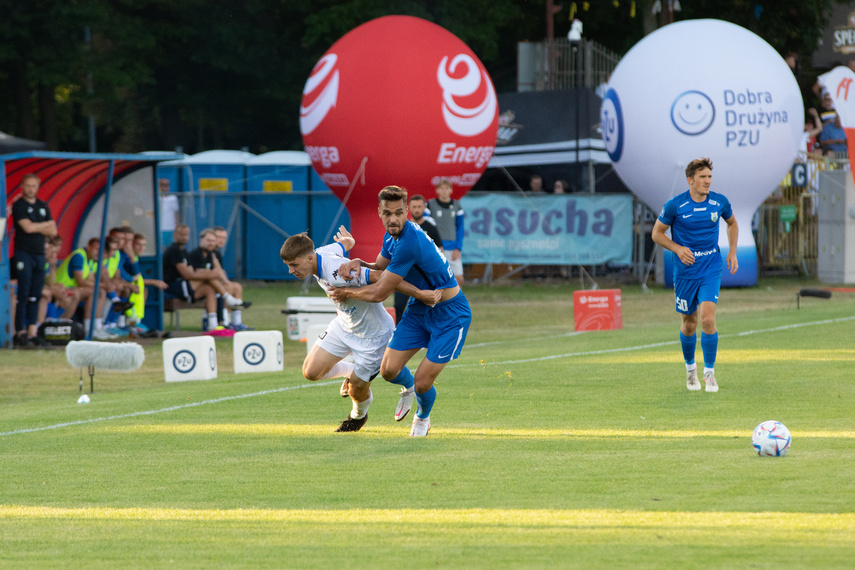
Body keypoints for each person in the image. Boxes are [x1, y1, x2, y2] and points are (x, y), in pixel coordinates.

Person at [330, 185, 472, 437]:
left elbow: (380, 292)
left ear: (407, 211)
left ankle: (422, 416)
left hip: (450, 315)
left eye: (398, 212)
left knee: (423, 381)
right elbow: (380, 268)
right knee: (388, 371)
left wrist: (346, 293)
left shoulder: (409, 242)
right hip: (420, 309)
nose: (393, 218)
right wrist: (356, 261)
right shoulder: (391, 236)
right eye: (387, 213)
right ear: (379, 213)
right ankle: (408, 391)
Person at [280, 226, 440, 432]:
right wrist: (349, 241)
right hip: (343, 326)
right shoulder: (322, 252)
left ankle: (358, 416)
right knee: (310, 372)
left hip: (373, 335)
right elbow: (344, 244)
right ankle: (351, 372)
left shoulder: (339, 271)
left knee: (358, 390)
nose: (291, 271)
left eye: (294, 265)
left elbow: (383, 277)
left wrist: (420, 294)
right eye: (288, 265)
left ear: (310, 258)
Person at [651, 157, 738, 393]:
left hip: (711, 266)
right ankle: (691, 370)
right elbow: (657, 234)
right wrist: (678, 249)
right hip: (685, 271)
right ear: (690, 180)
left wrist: (732, 252)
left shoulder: (719, 202)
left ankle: (709, 373)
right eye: (702, 177)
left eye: (709, 177)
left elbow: (732, 224)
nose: (707, 181)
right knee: (689, 324)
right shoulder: (675, 205)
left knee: (707, 319)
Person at [162, 224, 250, 334]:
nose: (184, 237)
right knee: (211, 278)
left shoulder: (188, 251)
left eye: (186, 235)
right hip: (174, 286)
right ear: (175, 235)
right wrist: (212, 274)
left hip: (188, 286)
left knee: (213, 289)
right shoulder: (178, 251)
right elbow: (188, 275)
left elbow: (213, 272)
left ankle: (213, 325)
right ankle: (228, 301)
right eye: (209, 240)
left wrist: (214, 272)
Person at [11, 173, 57, 347]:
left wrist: (38, 227)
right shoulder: (19, 205)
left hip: (39, 254)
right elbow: (27, 228)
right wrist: (43, 226)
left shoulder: (43, 205)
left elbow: (53, 230)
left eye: (33, 186)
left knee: (36, 294)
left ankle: (33, 332)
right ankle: (20, 333)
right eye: (27, 185)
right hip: (24, 253)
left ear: (38, 187)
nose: (30, 189)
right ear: (22, 186)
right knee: (23, 293)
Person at [393, 194, 443, 324]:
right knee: (398, 306)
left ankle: (428, 335)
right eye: (414, 207)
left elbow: (440, 250)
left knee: (427, 307)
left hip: (424, 276)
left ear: (424, 208)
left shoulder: (430, 227)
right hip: (404, 274)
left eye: (419, 207)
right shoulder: (403, 227)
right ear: (409, 208)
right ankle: (398, 335)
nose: (417, 210)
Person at [427, 179, 465, 286]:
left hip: (452, 248)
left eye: (446, 188)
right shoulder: (430, 204)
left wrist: (458, 248)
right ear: (437, 190)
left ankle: (455, 301)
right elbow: (426, 225)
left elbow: (460, 228)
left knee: (459, 278)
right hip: (436, 247)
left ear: (451, 190)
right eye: (441, 188)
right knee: (435, 278)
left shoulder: (457, 205)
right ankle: (437, 301)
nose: (444, 191)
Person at [159, 178, 179, 247]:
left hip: (171, 228)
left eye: (167, 185)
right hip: (160, 228)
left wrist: (176, 227)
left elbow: (176, 213)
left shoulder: (173, 198)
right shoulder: (157, 198)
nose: (165, 187)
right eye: (163, 185)